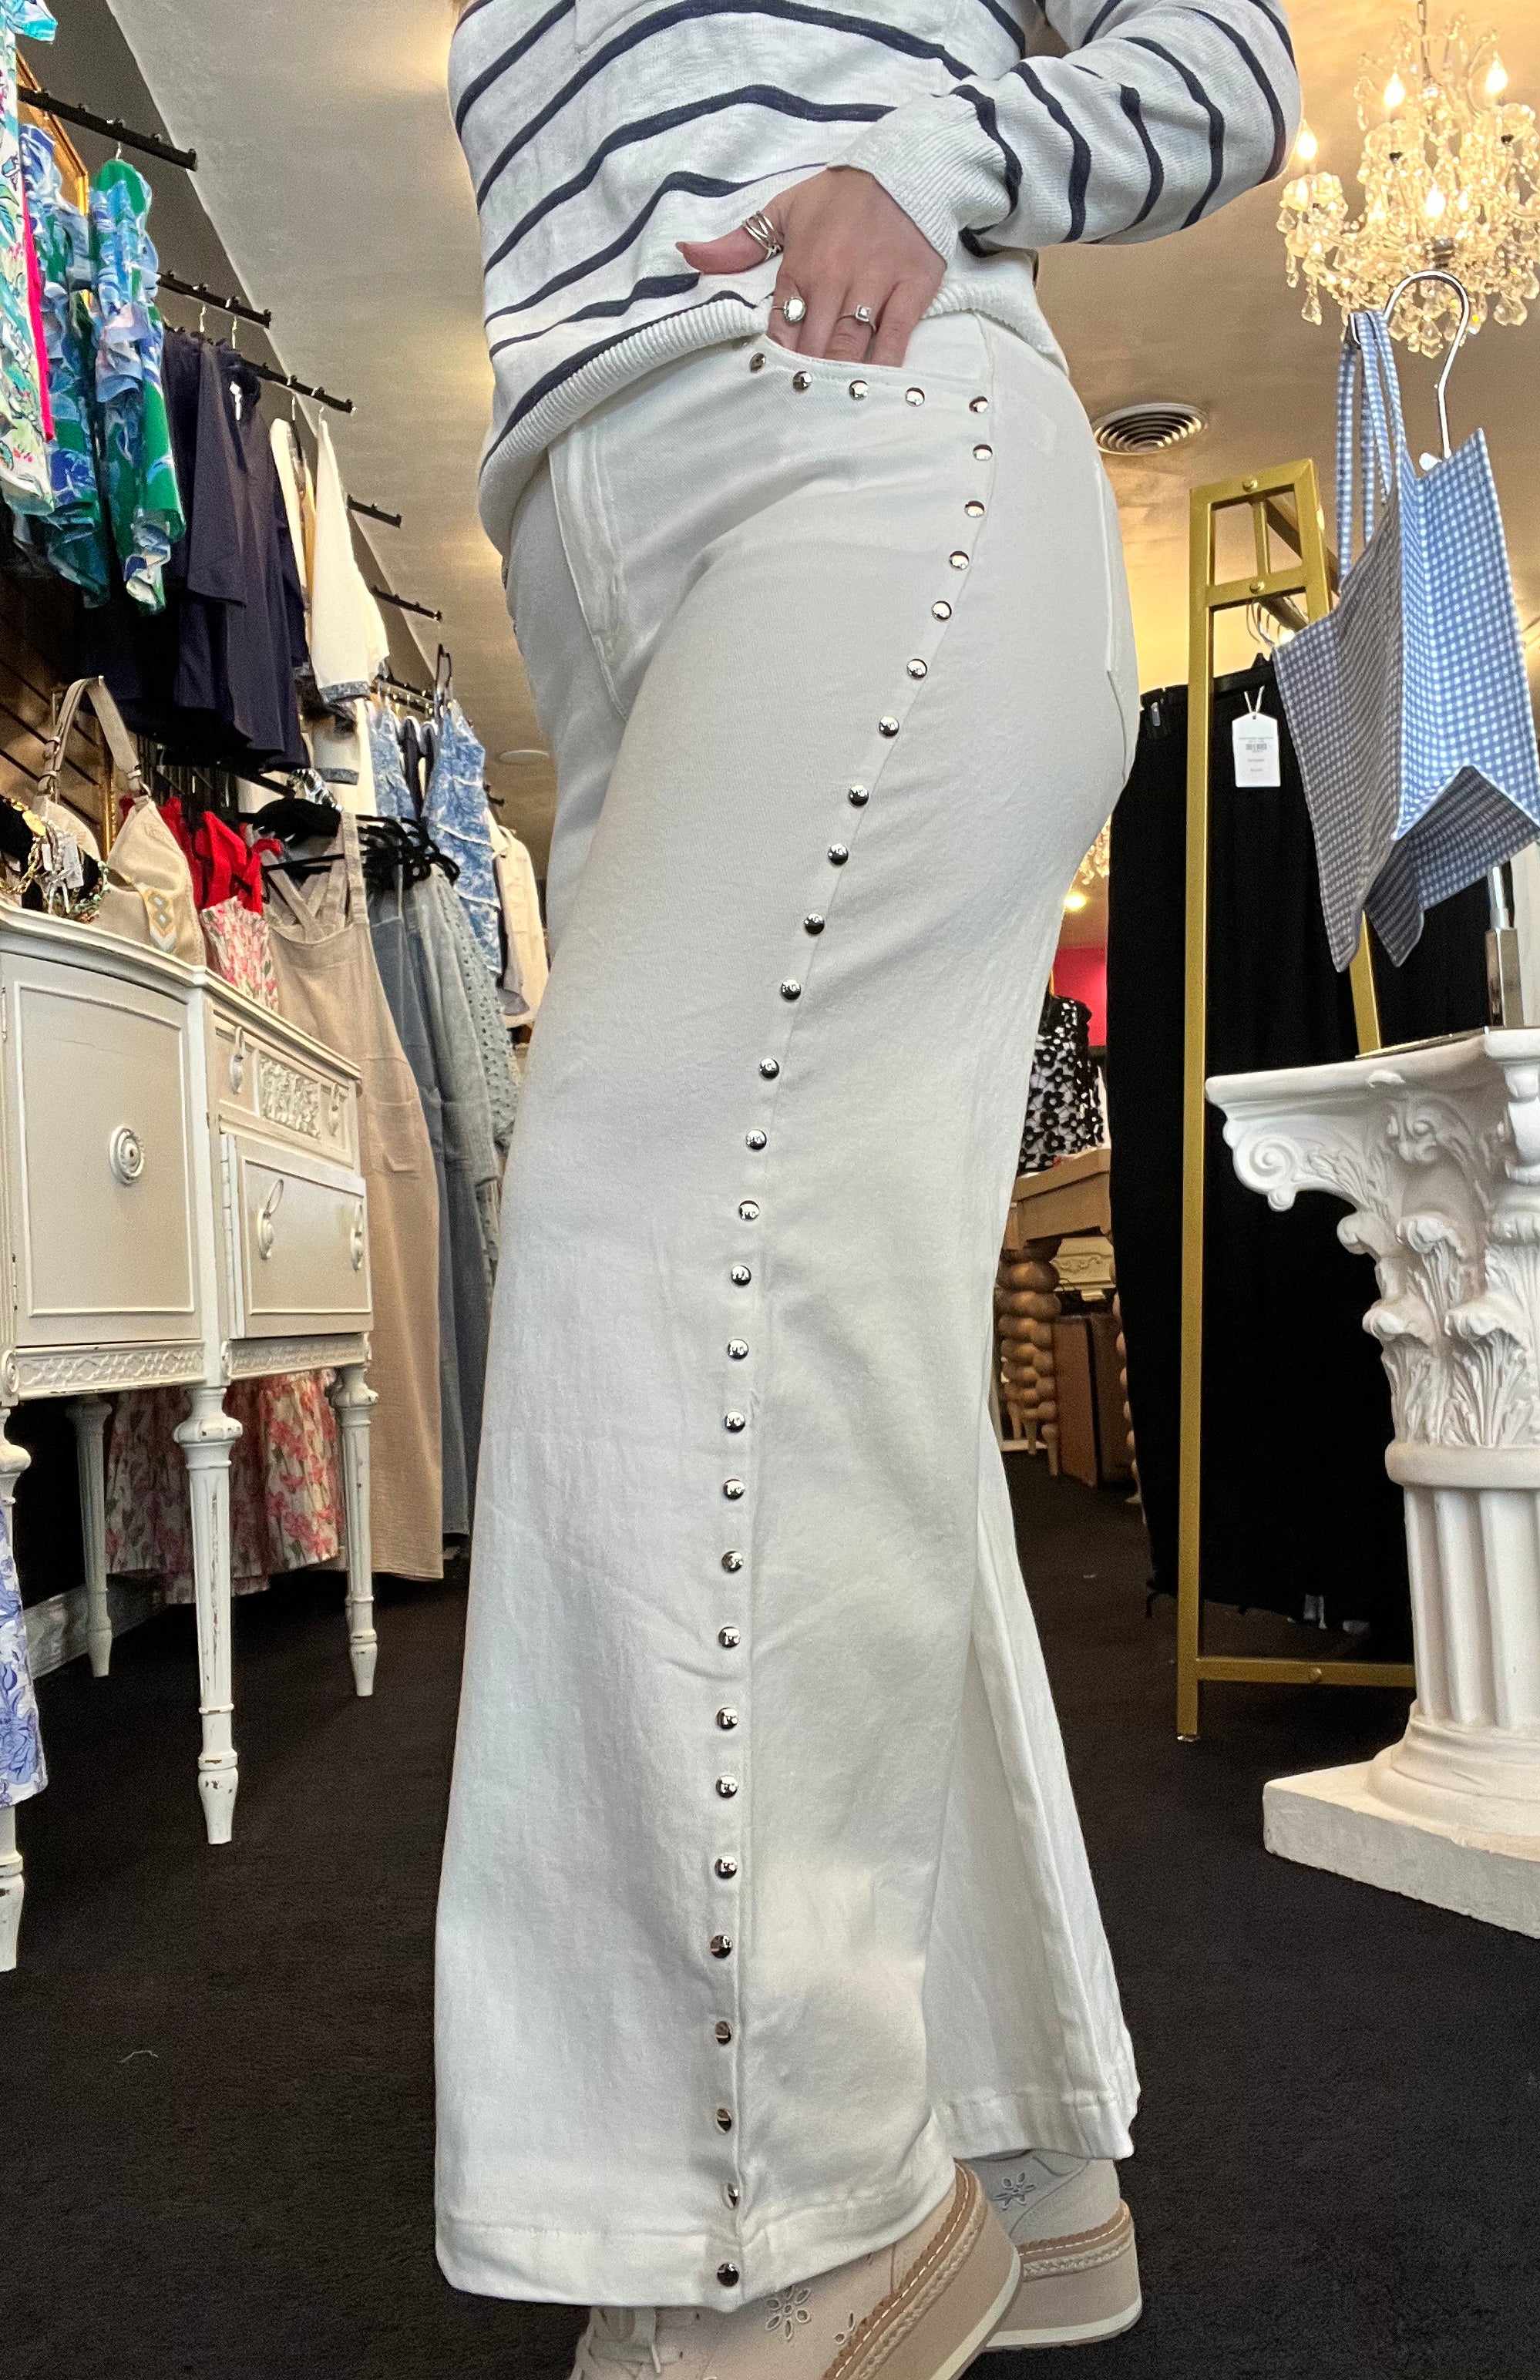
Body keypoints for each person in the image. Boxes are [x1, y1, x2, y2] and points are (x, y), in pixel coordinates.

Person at [435, 5, 1298, 2375]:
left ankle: (789, 2216)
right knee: (817, 1340)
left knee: (645, 1234)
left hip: (860, 440)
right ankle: (1009, 2147)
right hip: (595, 562)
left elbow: (1227, 55)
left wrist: (933, 153)